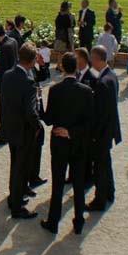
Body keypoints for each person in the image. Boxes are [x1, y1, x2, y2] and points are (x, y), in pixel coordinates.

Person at [40, 52, 93, 235]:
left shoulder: (55, 91)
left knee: (58, 183)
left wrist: (39, 101)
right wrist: (73, 132)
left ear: (62, 67)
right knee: (78, 184)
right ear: (77, 67)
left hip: (59, 143)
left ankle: (53, 221)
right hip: (78, 143)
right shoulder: (86, 91)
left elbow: (48, 119)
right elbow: (89, 122)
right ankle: (78, 221)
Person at [0, 42, 42, 219]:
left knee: (15, 165)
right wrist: (38, 126)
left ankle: (14, 197)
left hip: (10, 128)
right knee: (20, 167)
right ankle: (16, 206)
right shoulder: (28, 81)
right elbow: (30, 112)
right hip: (24, 131)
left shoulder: (8, 75)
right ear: (32, 61)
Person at [88, 45, 121, 212]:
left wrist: (93, 134)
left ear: (97, 60)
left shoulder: (103, 83)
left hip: (101, 132)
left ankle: (99, 200)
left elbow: (99, 113)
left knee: (100, 166)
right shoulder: (112, 76)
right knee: (105, 163)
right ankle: (109, 192)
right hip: (109, 129)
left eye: (92, 59)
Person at [0, 25, 18, 147]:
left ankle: (2, 137)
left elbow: (1, 68)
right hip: (12, 81)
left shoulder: (5, 47)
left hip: (4, 82)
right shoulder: (13, 41)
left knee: (3, 112)